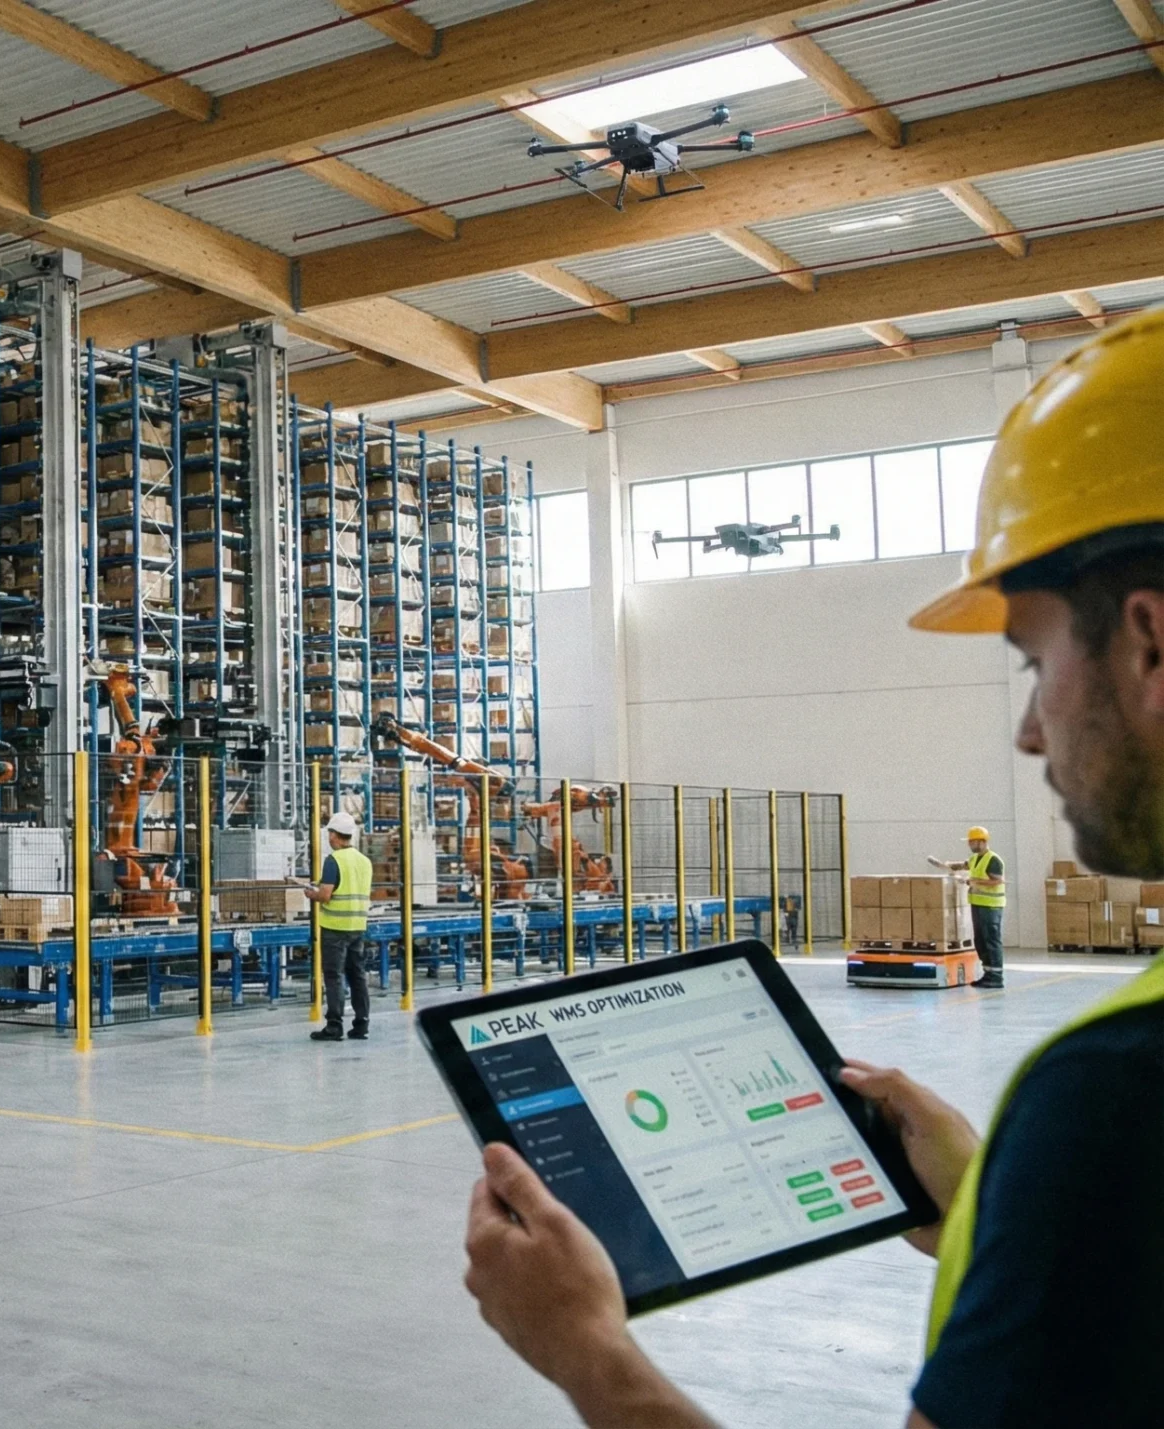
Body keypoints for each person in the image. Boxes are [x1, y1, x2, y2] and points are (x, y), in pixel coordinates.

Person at [460, 307, 1164, 1426]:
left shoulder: (1121, 1091)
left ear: (1149, 643)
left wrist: (588, 1351)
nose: (1030, 730)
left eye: (1035, 664)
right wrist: (992, 1203)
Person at [307, 811, 372, 1042]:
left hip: (334, 927)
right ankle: (361, 1024)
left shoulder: (333, 860)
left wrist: (311, 894)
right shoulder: (364, 861)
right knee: (357, 975)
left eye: (330, 833)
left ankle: (334, 1026)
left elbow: (325, 895)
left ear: (334, 835)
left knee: (334, 976)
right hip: (357, 926)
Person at [926, 826, 1006, 987]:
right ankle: (988, 973)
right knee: (980, 940)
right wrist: (948, 865)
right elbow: (964, 865)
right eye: (970, 842)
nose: (970, 845)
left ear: (982, 842)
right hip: (978, 904)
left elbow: (997, 881)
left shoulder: (993, 859)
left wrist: (973, 881)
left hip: (991, 906)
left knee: (991, 940)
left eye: (973, 842)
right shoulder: (975, 859)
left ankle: (996, 977)